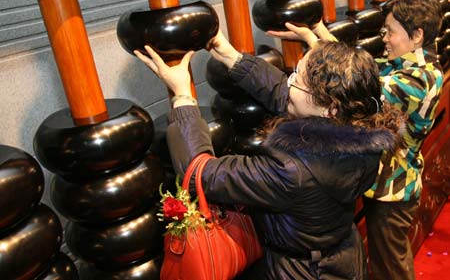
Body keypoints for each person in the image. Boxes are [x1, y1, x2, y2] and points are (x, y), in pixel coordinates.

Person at [134, 31, 405, 279]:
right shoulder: (363, 127)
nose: (290, 81)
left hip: (302, 272)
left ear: (330, 109)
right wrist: (233, 58)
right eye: (296, 71)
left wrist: (182, 97)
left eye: (298, 79)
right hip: (345, 257)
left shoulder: (293, 170)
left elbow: (200, 172)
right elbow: (284, 94)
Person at [267, 0, 444, 280]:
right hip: (389, 185)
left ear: (417, 35)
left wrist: (314, 45)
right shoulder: (410, 64)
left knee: (390, 268)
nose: (384, 38)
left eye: (390, 32)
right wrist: (317, 30)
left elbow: (359, 84)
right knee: (389, 261)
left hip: (394, 191)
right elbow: (364, 70)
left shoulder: (418, 79)